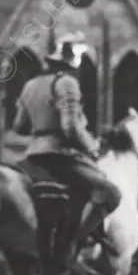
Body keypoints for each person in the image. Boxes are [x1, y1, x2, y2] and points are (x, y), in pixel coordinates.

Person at [13, 32, 122, 256]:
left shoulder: (30, 85)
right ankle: (70, 245)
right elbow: (70, 128)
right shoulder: (67, 83)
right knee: (109, 191)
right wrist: (92, 147)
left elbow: (19, 127)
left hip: (32, 155)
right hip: (58, 155)